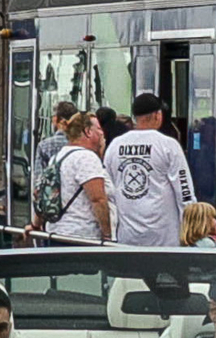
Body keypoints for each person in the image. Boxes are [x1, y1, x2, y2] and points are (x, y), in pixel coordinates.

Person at [104, 92, 196, 247]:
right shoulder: (168, 145)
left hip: (127, 238)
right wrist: (192, 231)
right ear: (157, 115)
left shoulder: (114, 146)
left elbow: (109, 190)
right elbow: (185, 193)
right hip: (165, 240)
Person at [36, 110, 111, 244]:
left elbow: (40, 193)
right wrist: (107, 235)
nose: (102, 133)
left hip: (56, 232)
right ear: (87, 131)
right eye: (98, 129)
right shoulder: (86, 158)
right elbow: (97, 199)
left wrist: (36, 224)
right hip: (81, 236)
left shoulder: (57, 157)